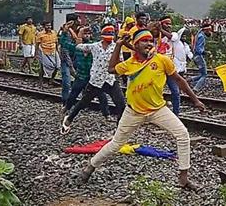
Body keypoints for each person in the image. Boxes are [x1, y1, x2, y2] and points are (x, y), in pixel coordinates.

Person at [77, 29, 206, 189]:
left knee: (183, 135)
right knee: (116, 144)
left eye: (151, 41)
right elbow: (111, 69)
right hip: (134, 112)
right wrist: (118, 45)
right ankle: (90, 166)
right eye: (144, 41)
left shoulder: (161, 60)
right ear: (136, 45)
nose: (149, 43)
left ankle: (183, 178)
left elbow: (180, 81)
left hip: (158, 110)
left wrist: (196, 101)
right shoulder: (129, 64)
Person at [61, 24, 125, 133]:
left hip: (110, 80)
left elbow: (121, 62)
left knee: (121, 105)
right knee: (83, 103)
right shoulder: (95, 46)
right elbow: (78, 46)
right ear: (102, 36)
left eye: (112, 34)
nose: (110, 37)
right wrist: (77, 33)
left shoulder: (116, 47)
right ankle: (68, 119)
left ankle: (119, 130)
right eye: (107, 34)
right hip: (95, 81)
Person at [61, 26, 110, 117]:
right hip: (81, 75)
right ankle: (66, 108)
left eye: (89, 34)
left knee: (101, 95)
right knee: (74, 93)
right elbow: (65, 43)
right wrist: (64, 33)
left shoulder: (94, 45)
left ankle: (106, 114)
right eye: (85, 33)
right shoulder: (77, 46)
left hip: (94, 76)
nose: (87, 35)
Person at [58, 14, 80, 104]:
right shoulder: (66, 32)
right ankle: (65, 101)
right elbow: (64, 49)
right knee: (67, 82)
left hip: (76, 58)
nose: (80, 21)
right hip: (67, 59)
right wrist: (71, 66)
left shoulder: (79, 30)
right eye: (78, 19)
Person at [36, 21, 60, 88]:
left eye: (49, 25)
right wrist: (36, 54)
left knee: (57, 66)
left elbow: (56, 42)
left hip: (53, 51)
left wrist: (57, 51)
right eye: (47, 25)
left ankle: (51, 80)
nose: (49, 27)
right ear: (44, 26)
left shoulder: (54, 33)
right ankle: (40, 82)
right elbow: (37, 44)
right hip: (44, 52)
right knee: (42, 67)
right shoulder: (40, 34)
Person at [189, 23, 212, 92]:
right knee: (204, 75)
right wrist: (206, 52)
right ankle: (196, 89)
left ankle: (188, 81)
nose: (210, 32)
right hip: (199, 56)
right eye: (209, 30)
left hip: (195, 56)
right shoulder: (201, 36)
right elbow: (198, 49)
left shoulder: (198, 35)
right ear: (206, 30)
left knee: (202, 74)